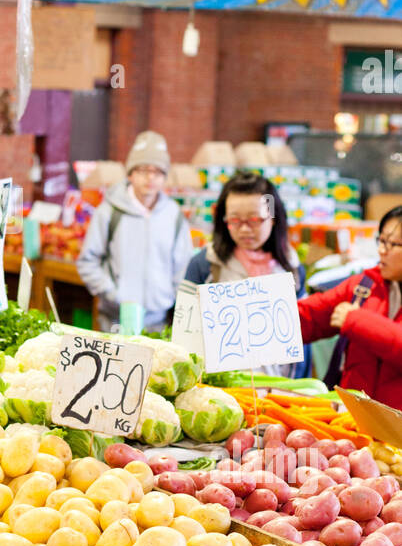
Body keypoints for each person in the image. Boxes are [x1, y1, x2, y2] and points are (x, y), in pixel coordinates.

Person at [184, 171, 303, 377]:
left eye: (255, 220)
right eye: (235, 220)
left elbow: (301, 333)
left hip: (279, 387)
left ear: (273, 218)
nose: (245, 229)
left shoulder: (291, 268)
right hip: (221, 386)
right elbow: (185, 331)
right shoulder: (205, 264)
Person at [76, 130, 192, 332]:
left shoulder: (174, 216)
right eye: (143, 170)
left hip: (158, 321)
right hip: (114, 320)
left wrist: (171, 296)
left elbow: (183, 265)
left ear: (165, 177)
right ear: (130, 174)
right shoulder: (109, 212)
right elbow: (88, 261)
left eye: (157, 172)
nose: (150, 178)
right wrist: (111, 293)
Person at [297, 205, 402, 409]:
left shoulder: (354, 310)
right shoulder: (363, 286)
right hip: (350, 424)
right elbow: (308, 316)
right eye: (381, 240)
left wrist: (355, 320)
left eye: (393, 244)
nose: (382, 250)